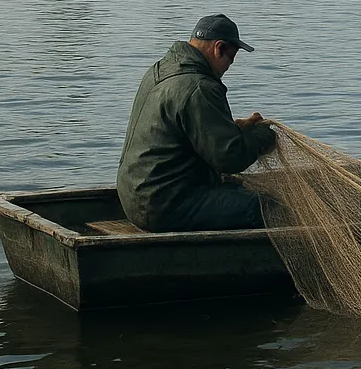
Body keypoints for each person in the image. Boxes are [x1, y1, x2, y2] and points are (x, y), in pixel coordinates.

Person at [117, 14, 276, 232]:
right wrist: (263, 136)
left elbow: (184, 132)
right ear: (218, 48)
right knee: (271, 207)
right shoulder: (199, 87)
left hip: (134, 198)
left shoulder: (161, 70)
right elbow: (229, 158)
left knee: (239, 191)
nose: (230, 65)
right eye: (231, 58)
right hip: (165, 207)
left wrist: (237, 129)